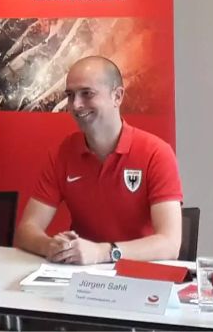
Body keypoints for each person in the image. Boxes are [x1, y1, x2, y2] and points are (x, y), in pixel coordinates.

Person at [15, 56, 183, 265]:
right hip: (82, 279)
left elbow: (170, 244)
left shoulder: (156, 153)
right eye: (70, 95)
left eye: (87, 94)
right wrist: (51, 246)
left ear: (117, 96)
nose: (75, 105)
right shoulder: (62, 153)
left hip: (140, 278)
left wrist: (103, 252)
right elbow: (26, 231)